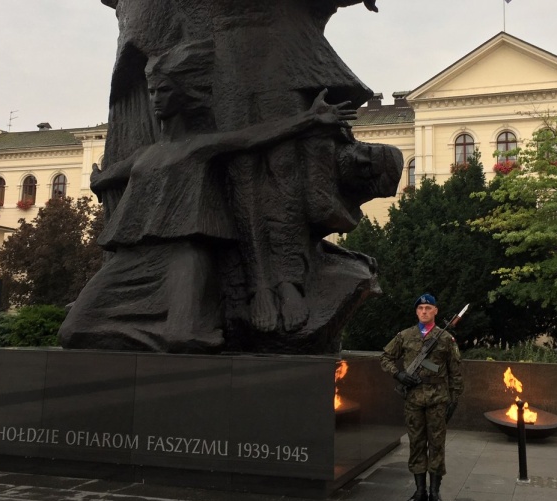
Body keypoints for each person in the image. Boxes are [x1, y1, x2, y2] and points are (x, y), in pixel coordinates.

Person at [60, 39, 358, 352]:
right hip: (135, 260)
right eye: (152, 92)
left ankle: (168, 333)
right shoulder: (144, 156)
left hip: (183, 259)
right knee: (71, 331)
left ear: (184, 95)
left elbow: (249, 138)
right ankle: (149, 337)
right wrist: (97, 180)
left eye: (164, 90)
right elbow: (105, 177)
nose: (156, 99)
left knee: (181, 337)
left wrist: (309, 119)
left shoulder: (200, 146)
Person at [380, 293, 464, 501]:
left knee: (436, 445)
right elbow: (385, 358)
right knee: (416, 443)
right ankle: (419, 491)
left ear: (436, 311)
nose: (424, 311)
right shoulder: (405, 336)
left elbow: (455, 371)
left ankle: (435, 493)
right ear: (416, 312)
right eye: (420, 308)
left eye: (428, 307)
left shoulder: (446, 338)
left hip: (438, 399)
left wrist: (454, 398)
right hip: (414, 398)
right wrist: (398, 375)